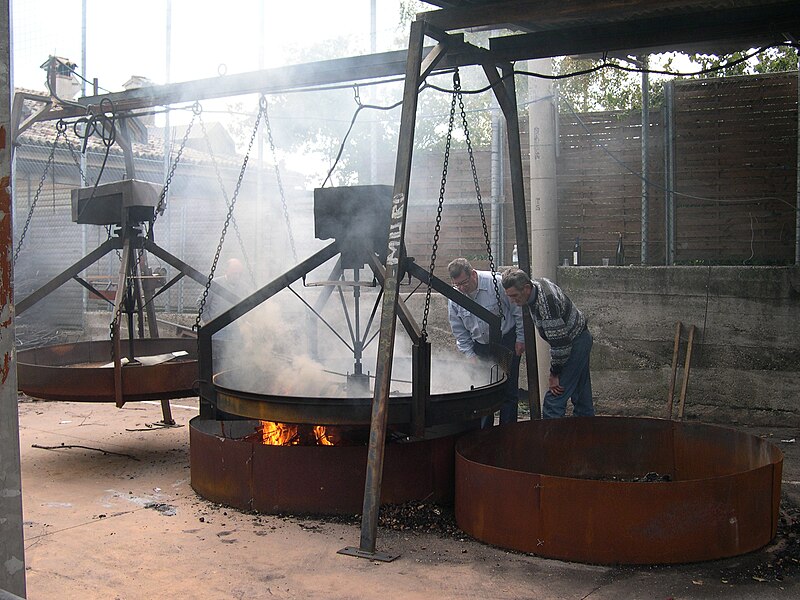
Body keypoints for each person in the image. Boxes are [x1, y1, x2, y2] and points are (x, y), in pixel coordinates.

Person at [501, 268, 594, 419]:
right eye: (509, 296)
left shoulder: (547, 304)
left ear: (526, 288)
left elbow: (561, 346)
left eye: (515, 296)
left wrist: (554, 374)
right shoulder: (536, 285)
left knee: (554, 399)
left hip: (574, 343)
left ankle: (550, 441)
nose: (512, 301)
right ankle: (586, 435)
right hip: (580, 337)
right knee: (581, 397)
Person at [447, 258, 524, 427]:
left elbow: (518, 310)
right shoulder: (455, 297)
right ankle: (484, 432)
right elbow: (459, 329)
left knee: (508, 390)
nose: (461, 288)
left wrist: (520, 339)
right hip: (480, 346)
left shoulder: (495, 284)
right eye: (457, 284)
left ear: (473, 274)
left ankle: (507, 431)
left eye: (464, 283)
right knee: (482, 391)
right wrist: (469, 353)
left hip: (505, 341)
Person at [197, 257, 246, 325]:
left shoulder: (243, 287)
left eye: (239, 274)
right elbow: (200, 303)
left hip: (235, 328)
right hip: (216, 327)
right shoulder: (214, 284)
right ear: (226, 271)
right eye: (234, 273)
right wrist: (208, 321)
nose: (237, 276)